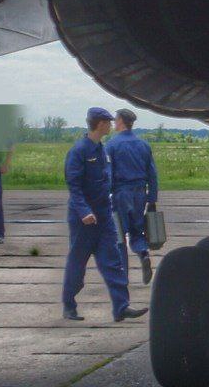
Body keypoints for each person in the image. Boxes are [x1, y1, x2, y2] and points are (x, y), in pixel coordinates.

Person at [62, 107, 146, 323]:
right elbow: (74, 186)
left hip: (104, 216)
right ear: (100, 124)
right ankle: (69, 305)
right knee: (77, 264)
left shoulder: (102, 150)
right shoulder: (79, 151)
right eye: (108, 122)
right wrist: (84, 212)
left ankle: (121, 307)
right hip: (84, 220)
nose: (111, 125)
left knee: (113, 261)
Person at [107, 108, 159, 285]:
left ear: (121, 121)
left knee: (119, 236)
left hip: (121, 194)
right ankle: (143, 254)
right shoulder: (143, 145)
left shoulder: (112, 145)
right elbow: (152, 175)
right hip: (139, 195)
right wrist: (152, 200)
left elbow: (108, 175)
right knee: (137, 232)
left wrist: (104, 197)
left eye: (115, 119)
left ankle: (123, 277)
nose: (114, 122)